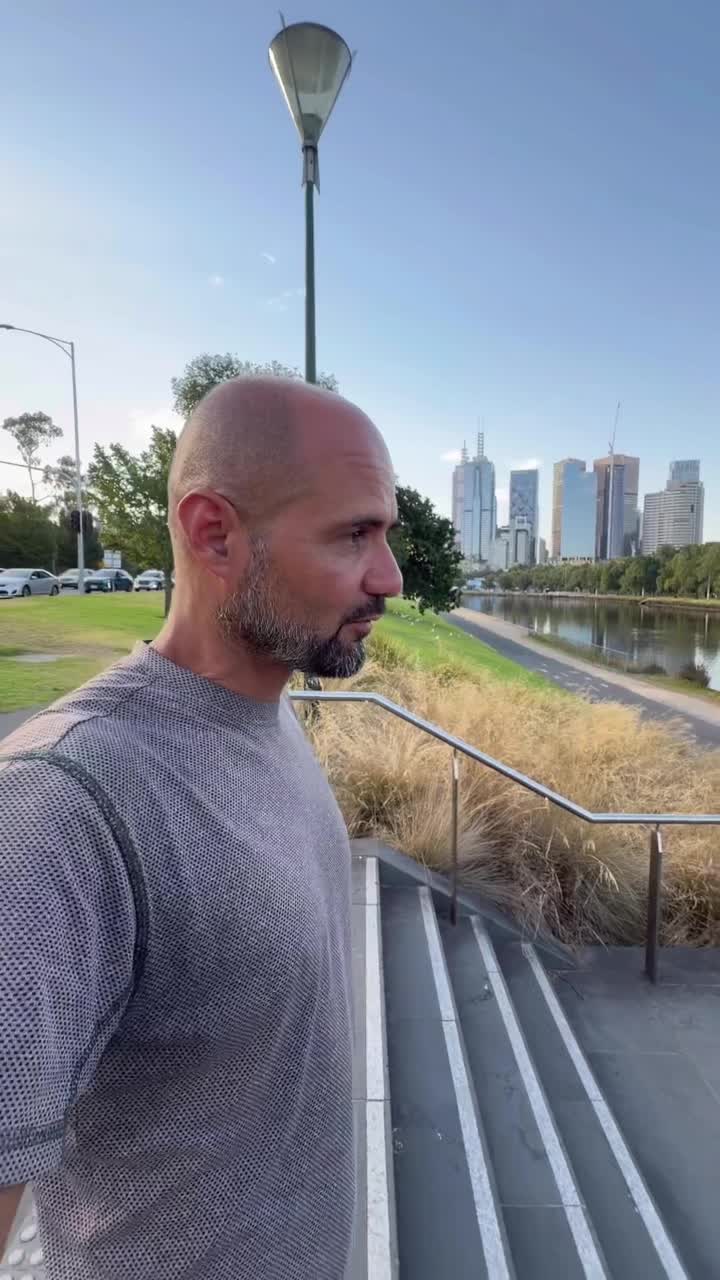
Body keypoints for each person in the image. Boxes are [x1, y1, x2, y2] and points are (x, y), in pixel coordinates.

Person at [0, 377, 403, 1279]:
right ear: (213, 533)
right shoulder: (59, 809)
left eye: (385, 534)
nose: (389, 578)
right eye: (352, 535)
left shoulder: (268, 711)